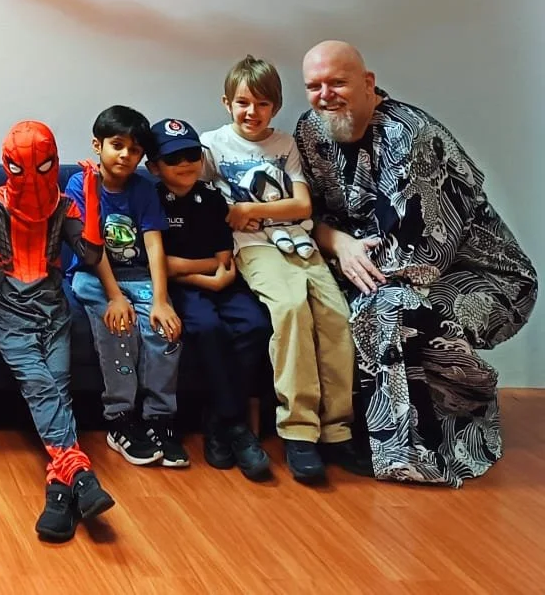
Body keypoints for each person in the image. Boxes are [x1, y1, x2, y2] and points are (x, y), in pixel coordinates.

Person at [296, 40, 538, 486]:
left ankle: (416, 453)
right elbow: (308, 213)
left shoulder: (414, 137)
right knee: (309, 294)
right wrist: (340, 243)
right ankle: (341, 429)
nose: (325, 94)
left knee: (384, 309)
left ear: (368, 84)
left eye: (338, 82)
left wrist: (349, 262)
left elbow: (425, 257)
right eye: (314, 86)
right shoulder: (312, 131)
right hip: (371, 262)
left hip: (481, 276)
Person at [201, 56, 361, 484]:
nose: (252, 112)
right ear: (227, 103)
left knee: (334, 315)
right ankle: (298, 430)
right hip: (254, 249)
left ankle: (337, 429)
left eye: (263, 104)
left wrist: (248, 208)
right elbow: (199, 202)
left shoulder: (285, 144)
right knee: (290, 309)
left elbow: (303, 206)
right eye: (243, 102)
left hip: (301, 241)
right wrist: (231, 215)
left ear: (276, 107)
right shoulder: (211, 146)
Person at [0, 121, 114, 542]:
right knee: (40, 384)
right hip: (8, 305)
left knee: (58, 386)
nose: (31, 179)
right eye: (20, 169)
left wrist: (91, 197)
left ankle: (61, 489)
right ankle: (80, 470)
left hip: (51, 304)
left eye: (43, 167)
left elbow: (88, 254)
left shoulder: (63, 206)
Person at [147, 118, 271, 482]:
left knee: (255, 325)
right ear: (155, 166)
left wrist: (220, 275)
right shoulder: (151, 199)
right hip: (186, 287)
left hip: (224, 282)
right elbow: (161, 263)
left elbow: (224, 252)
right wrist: (206, 274)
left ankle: (218, 420)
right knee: (207, 328)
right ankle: (235, 425)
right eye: (174, 159)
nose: (185, 164)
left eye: (191, 156)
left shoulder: (211, 198)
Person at [63, 105, 187, 468]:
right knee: (119, 326)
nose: (126, 155)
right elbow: (91, 246)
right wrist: (116, 297)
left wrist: (161, 300)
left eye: (134, 150)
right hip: (94, 276)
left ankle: (159, 419)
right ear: (97, 145)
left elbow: (153, 245)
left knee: (165, 332)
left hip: (140, 276)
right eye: (117, 145)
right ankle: (120, 419)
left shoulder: (143, 189)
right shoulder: (79, 183)